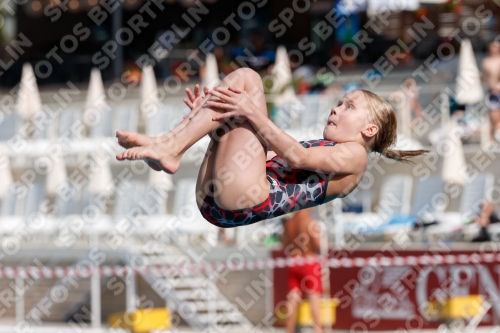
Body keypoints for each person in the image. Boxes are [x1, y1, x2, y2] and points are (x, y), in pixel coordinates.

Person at [115, 68, 427, 227]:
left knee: (248, 79)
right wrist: (214, 126)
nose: (336, 108)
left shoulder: (355, 155)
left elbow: (297, 155)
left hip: (244, 200)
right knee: (230, 109)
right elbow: (258, 157)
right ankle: (169, 145)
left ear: (368, 129)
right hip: (221, 200)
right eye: (338, 102)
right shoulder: (329, 148)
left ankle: (170, 148)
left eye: (349, 106)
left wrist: (250, 111)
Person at [281, 208, 323, 333]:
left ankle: (289, 329)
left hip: (294, 261)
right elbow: (317, 244)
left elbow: (284, 245)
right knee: (313, 296)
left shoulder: (289, 223)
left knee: (293, 297)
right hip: (309, 261)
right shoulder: (310, 222)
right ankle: (318, 329)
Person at [482, 40, 500, 142]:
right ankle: (492, 138)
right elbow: (486, 77)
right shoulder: (486, 61)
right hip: (492, 92)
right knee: (493, 116)